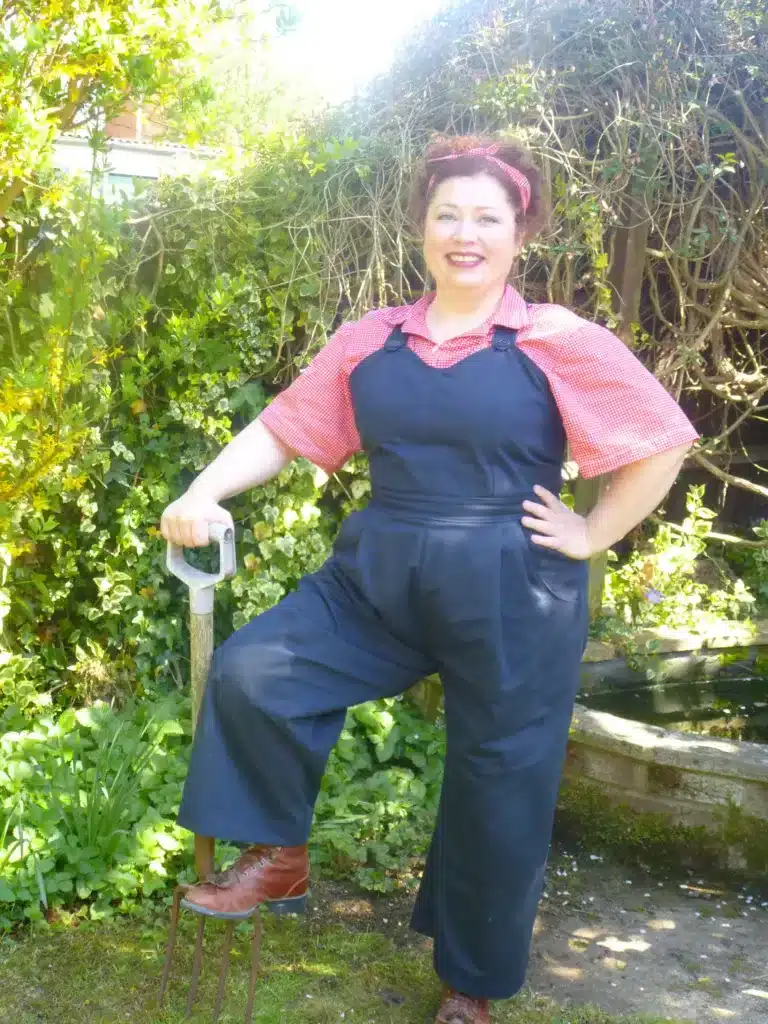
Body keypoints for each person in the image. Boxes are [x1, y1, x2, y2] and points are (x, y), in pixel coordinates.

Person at [159, 136, 698, 1024]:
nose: (465, 233)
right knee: (257, 671)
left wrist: (594, 530)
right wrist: (203, 488)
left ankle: (470, 987)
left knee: (500, 780)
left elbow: (661, 437)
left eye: (487, 217)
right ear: (421, 227)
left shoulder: (556, 339)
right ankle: (277, 852)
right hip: (381, 574)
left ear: (519, 232)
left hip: (514, 589)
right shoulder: (370, 339)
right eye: (448, 214)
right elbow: (287, 429)